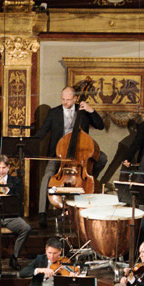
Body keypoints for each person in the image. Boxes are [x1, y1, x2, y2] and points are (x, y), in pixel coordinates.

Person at [37, 87, 107, 218]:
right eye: (63, 99)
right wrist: (30, 143)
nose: (65, 102)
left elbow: (100, 125)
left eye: (68, 100)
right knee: (47, 176)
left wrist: (90, 110)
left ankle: (87, 180)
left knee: (102, 158)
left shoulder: (83, 111)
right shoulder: (54, 112)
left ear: (75, 99)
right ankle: (42, 212)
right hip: (60, 153)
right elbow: (42, 132)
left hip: (81, 153)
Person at [0, 155, 32, 268]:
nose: (1, 171)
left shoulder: (16, 182)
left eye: (4, 168)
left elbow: (18, 201)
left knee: (26, 228)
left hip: (10, 217)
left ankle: (14, 257)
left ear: (8, 168)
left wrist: (7, 191)